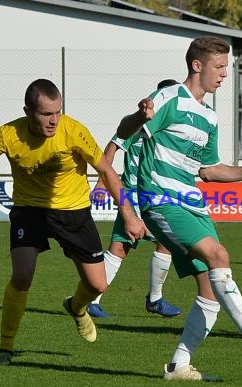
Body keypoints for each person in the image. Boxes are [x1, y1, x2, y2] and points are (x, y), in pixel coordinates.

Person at [0, 79, 146, 366]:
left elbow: (106, 171)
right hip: (29, 211)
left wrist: (129, 214)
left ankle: (76, 306)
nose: (54, 120)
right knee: (22, 276)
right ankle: (5, 348)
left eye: (57, 111)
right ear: (27, 111)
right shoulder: (8, 134)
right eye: (46, 114)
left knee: (98, 286)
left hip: (73, 212)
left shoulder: (74, 131)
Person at [134, 36, 242, 381]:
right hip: (160, 199)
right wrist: (125, 198)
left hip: (190, 202)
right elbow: (133, 133)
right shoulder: (167, 98)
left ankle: (178, 365)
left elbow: (209, 170)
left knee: (210, 289)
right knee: (219, 254)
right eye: (219, 67)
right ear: (197, 65)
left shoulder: (209, 117)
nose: (224, 75)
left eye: (226, 68)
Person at [87, 79, 182, 318]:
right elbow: (111, 147)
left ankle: (150, 300)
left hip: (157, 194)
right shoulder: (140, 124)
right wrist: (101, 184)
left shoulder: (171, 128)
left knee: (146, 245)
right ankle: (149, 300)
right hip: (133, 195)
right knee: (126, 247)